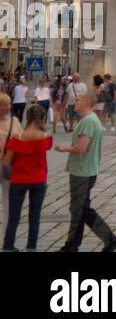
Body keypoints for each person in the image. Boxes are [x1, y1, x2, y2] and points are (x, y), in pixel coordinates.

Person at [52, 93, 116, 252]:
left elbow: (82, 148)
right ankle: (74, 245)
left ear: (86, 102)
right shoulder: (89, 120)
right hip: (86, 169)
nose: (75, 102)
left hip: (82, 171)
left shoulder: (88, 121)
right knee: (80, 209)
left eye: (78, 100)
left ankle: (107, 240)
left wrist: (64, 148)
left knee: (80, 210)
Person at [2, 103, 52, 252]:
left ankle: (8, 247)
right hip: (39, 179)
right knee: (34, 217)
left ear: (27, 118)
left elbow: (6, 162)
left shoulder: (17, 138)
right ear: (42, 119)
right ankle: (31, 248)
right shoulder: (46, 137)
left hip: (18, 180)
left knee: (13, 217)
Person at [0, 92, 21, 247]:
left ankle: (8, 240)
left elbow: (21, 140)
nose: (6, 107)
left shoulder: (15, 121)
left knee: (9, 203)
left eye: (7, 104)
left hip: (9, 165)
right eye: (2, 105)